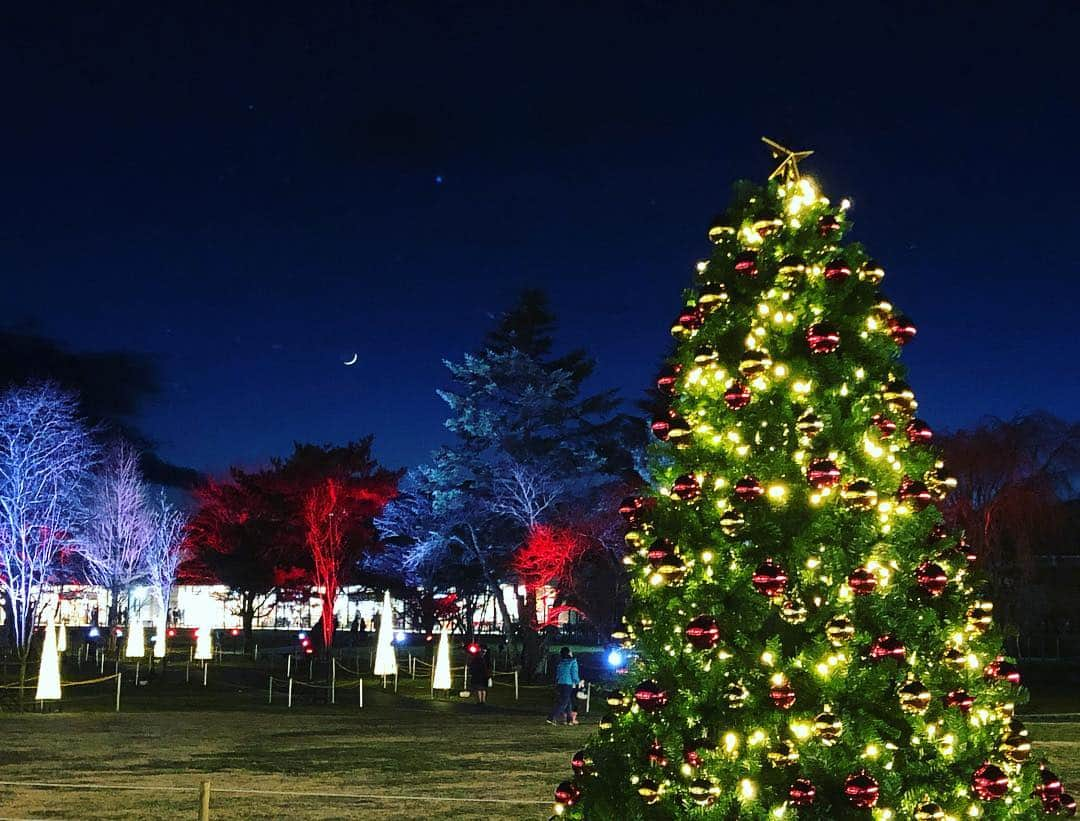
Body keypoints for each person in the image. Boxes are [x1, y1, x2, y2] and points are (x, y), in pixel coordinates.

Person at [547, 647, 581, 726]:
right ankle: (551, 717)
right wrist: (577, 682)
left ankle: (569, 720)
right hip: (568, 684)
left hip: (560, 683)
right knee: (563, 703)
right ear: (569, 653)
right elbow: (574, 673)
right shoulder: (573, 662)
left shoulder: (560, 662)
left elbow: (558, 673)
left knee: (568, 702)